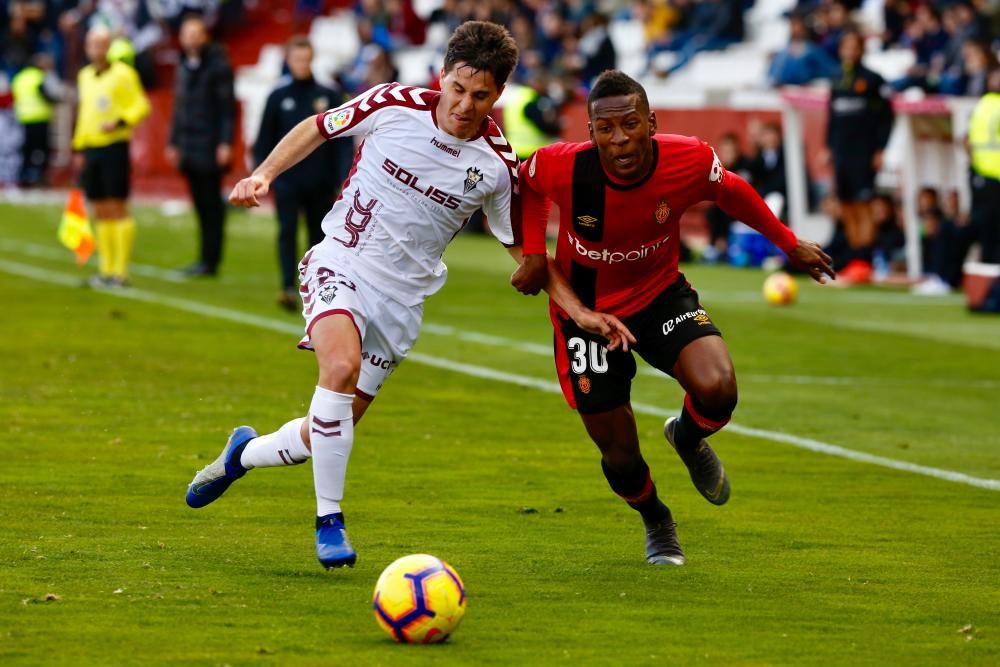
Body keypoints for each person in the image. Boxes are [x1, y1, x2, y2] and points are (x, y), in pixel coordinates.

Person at [183, 21, 632, 569]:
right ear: (442, 76)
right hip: (341, 260)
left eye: (481, 95)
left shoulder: (495, 164)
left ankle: (242, 454)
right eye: (458, 89)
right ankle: (330, 521)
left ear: (500, 94)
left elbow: (525, 252)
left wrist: (581, 311)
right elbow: (318, 127)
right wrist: (264, 175)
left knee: (323, 431)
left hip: (402, 303)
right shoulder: (393, 104)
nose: (465, 105)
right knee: (339, 369)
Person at [514, 70, 835, 565]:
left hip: (660, 295)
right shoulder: (565, 167)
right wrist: (535, 254)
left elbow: (731, 191)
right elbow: (526, 186)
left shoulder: (688, 158)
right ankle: (656, 519)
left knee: (720, 387)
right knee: (618, 451)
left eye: (630, 124)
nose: (618, 139)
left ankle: (686, 435)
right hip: (587, 314)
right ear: (591, 132)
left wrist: (788, 243)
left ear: (651, 123)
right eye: (605, 129)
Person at [253, 36, 354, 311]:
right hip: (287, 180)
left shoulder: (328, 95)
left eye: (306, 59)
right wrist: (262, 175)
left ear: (312, 60)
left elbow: (342, 140)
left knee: (318, 238)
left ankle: (315, 289)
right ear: (288, 60)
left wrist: (342, 177)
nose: (302, 64)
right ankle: (287, 286)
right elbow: (265, 139)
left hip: (320, 181)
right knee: (286, 232)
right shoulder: (278, 97)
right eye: (297, 59)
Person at [72, 25, 150, 288]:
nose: (96, 49)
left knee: (117, 205)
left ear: (109, 47)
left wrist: (119, 121)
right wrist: (79, 147)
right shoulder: (84, 76)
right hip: (91, 147)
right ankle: (105, 269)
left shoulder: (123, 74)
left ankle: (121, 271)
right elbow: (85, 114)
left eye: (101, 44)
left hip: (114, 147)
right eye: (92, 44)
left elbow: (140, 105)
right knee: (100, 208)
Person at [167, 13, 236, 277]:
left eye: (196, 34)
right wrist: (173, 141)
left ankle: (211, 260)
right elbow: (179, 107)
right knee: (199, 202)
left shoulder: (218, 65)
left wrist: (225, 142)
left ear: (204, 36)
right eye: (188, 34)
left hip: (209, 143)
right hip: (188, 142)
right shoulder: (183, 64)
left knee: (211, 204)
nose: (192, 39)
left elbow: (226, 108)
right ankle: (203, 258)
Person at [825, 29, 894, 285]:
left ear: (861, 49)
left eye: (855, 46)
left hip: (863, 152)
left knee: (864, 205)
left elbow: (887, 116)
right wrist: (828, 146)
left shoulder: (873, 80)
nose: (850, 51)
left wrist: (880, 148)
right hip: (842, 153)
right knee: (847, 205)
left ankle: (865, 260)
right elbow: (831, 117)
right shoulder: (837, 79)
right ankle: (855, 260)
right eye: (846, 46)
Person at [11, 52, 62, 187]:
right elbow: (45, 95)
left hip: (23, 119)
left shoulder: (19, 77)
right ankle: (42, 177)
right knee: (43, 150)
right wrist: (58, 100)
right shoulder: (38, 77)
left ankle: (23, 177)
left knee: (26, 150)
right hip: (40, 119)